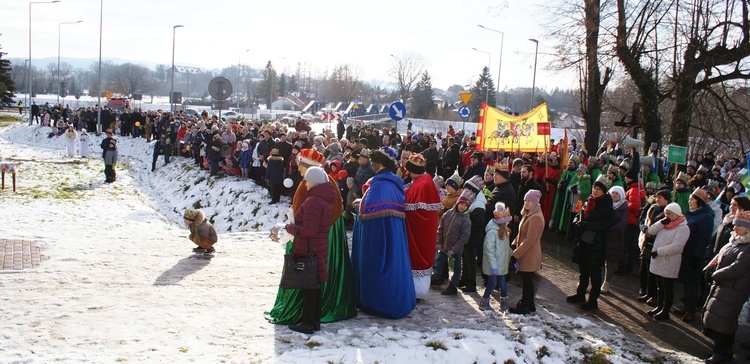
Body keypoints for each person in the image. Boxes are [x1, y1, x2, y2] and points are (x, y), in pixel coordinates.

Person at [265, 148, 356, 326]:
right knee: (315, 279)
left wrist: (288, 229)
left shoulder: (312, 188)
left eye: (301, 164)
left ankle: (304, 317)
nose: (298, 168)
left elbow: (305, 224)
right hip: (322, 240)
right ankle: (312, 319)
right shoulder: (327, 184)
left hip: (309, 242)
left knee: (307, 279)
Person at [352, 148, 416, 319]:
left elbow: (367, 212)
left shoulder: (380, 185)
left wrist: (360, 207)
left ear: (380, 164)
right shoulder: (393, 183)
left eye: (374, 161)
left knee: (380, 264)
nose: (372, 164)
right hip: (393, 235)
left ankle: (378, 302)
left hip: (378, 237)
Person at [281, 166, 335, 334]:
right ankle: (314, 322)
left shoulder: (313, 201)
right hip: (318, 248)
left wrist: (291, 228)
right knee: (314, 286)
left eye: (307, 181)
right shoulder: (324, 199)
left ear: (313, 182)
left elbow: (308, 231)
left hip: (309, 249)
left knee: (308, 287)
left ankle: (307, 324)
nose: (305, 184)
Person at [701, 210, 750, 363]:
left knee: (723, 321)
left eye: (739, 226)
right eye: (734, 225)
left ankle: (720, 353)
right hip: (725, 287)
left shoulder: (747, 247)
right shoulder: (735, 241)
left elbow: (737, 268)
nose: (734, 228)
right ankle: (724, 351)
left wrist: (715, 275)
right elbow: (719, 257)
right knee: (722, 320)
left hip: (734, 290)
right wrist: (709, 268)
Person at [566, 175, 614, 311]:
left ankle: (593, 300)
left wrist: (587, 225)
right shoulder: (589, 201)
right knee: (583, 271)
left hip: (596, 243)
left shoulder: (606, 205)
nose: (595, 191)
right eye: (594, 188)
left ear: (604, 191)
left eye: (599, 189)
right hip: (584, 241)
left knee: (595, 273)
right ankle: (580, 294)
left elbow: (607, 224)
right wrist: (577, 221)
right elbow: (580, 213)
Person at [403, 153, 442, 299]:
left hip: (420, 231)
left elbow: (415, 211)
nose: (408, 174)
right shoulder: (423, 180)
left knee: (417, 258)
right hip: (424, 230)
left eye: (410, 171)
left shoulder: (422, 183)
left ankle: (417, 292)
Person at [674, 188, 715, 322]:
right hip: (685, 252)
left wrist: (697, 256)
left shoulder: (706, 217)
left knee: (691, 282)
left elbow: (704, 239)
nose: (689, 201)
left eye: (692, 199)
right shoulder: (691, 213)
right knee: (685, 281)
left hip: (694, 254)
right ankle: (686, 306)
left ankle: (691, 310)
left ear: (699, 202)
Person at [645, 202, 689, 320]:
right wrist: (660, 223)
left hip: (669, 261)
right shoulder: (664, 224)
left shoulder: (683, 228)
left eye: (669, 214)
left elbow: (677, 246)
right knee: (660, 286)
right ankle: (659, 307)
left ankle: (666, 310)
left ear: (676, 214)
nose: (667, 216)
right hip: (658, 260)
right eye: (665, 213)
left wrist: (659, 251)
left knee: (667, 287)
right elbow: (650, 232)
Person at [508, 189, 544, 315]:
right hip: (525, 252)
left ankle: (525, 305)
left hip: (529, 254)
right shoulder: (528, 214)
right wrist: (513, 245)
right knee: (526, 279)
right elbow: (521, 234)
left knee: (527, 280)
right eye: (525, 200)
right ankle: (530, 304)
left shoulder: (536, 218)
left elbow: (529, 240)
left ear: (535, 202)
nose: (526, 203)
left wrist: (515, 254)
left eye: (529, 201)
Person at [432, 191, 471, 295]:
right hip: (444, 246)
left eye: (465, 205)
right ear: (457, 203)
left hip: (455, 250)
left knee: (456, 267)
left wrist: (454, 249)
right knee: (439, 262)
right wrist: (438, 242)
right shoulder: (448, 213)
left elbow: (464, 238)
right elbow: (441, 228)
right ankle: (436, 277)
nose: (463, 207)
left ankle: (453, 285)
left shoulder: (466, 220)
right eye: (462, 204)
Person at [637, 189, 671, 303]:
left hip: (657, 242)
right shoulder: (652, 208)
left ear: (666, 200)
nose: (657, 200)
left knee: (653, 271)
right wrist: (643, 227)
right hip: (647, 240)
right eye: (657, 197)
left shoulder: (668, 212)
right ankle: (645, 290)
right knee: (644, 267)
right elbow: (643, 220)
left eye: (660, 198)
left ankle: (653, 295)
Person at [480, 202, 513, 311]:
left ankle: (504, 302)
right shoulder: (492, 233)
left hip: (501, 265)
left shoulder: (504, 233)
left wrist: (512, 258)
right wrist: (493, 266)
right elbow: (489, 251)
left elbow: (506, 249)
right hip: (494, 265)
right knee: (492, 283)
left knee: (503, 284)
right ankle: (484, 301)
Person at [602, 186, 628, 294]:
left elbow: (623, 223)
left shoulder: (623, 207)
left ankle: (607, 281)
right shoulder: (606, 205)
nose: (614, 195)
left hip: (614, 237)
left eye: (617, 194)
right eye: (612, 193)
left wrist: (610, 228)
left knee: (610, 261)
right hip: (603, 235)